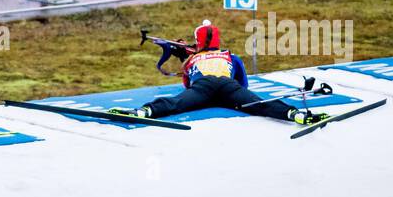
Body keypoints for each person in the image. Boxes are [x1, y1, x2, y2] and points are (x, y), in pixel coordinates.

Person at [109, 21, 329, 126]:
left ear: (198, 42)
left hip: (203, 88)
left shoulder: (192, 59)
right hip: (228, 87)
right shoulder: (230, 56)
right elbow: (243, 85)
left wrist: (188, 60)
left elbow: (187, 85)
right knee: (261, 104)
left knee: (174, 103)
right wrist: (232, 97)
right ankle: (297, 115)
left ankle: (142, 112)